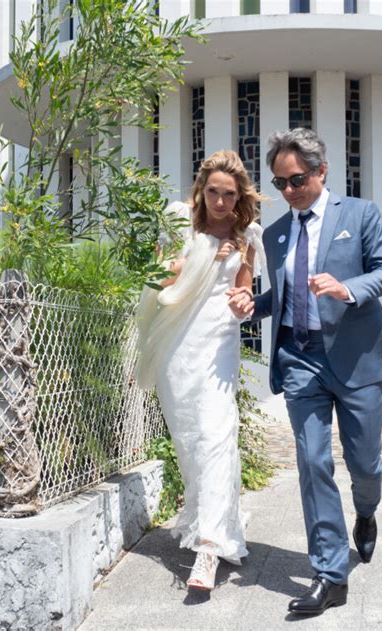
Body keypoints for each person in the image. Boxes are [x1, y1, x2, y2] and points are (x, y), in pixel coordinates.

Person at [228, 128, 382, 615]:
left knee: (365, 463)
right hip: (301, 361)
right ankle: (330, 574)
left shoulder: (360, 213)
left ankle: (366, 513)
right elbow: (283, 297)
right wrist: (254, 304)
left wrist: (345, 287)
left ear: (321, 171)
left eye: (298, 180)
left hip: (358, 359)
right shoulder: (275, 233)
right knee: (312, 463)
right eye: (281, 183)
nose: (290, 191)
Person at [136, 150, 265, 591]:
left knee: (215, 435)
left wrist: (243, 303)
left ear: (240, 195)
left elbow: (244, 292)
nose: (221, 202)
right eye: (213, 192)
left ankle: (209, 549)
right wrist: (207, 260)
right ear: (201, 188)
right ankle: (211, 519)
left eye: (229, 195)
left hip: (219, 344)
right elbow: (159, 278)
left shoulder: (248, 237)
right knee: (189, 441)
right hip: (179, 343)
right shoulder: (179, 222)